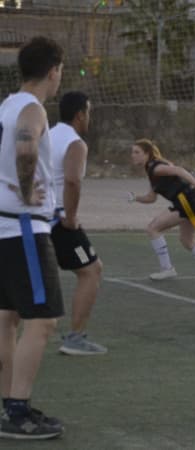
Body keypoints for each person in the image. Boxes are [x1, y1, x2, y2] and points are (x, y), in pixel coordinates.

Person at [0, 36, 65, 439]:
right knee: (42, 321)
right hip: (24, 228)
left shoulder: (5, 105)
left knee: (6, 319)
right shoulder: (30, 108)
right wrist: (25, 191)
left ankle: (10, 402)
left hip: (2, 226)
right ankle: (17, 410)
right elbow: (26, 146)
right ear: (54, 70)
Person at [49, 91, 106, 355]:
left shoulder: (46, 135)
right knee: (91, 271)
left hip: (35, 219)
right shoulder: (75, 143)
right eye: (89, 112)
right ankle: (76, 338)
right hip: (58, 221)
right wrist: (70, 219)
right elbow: (73, 181)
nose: (90, 118)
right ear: (80, 114)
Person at [128, 139, 195, 281]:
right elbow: (151, 198)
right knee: (187, 240)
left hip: (187, 201)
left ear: (147, 154)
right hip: (191, 200)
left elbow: (180, 170)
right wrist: (135, 198)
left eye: (137, 152)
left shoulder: (156, 168)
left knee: (153, 229)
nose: (133, 155)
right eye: (132, 152)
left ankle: (167, 269)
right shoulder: (151, 171)